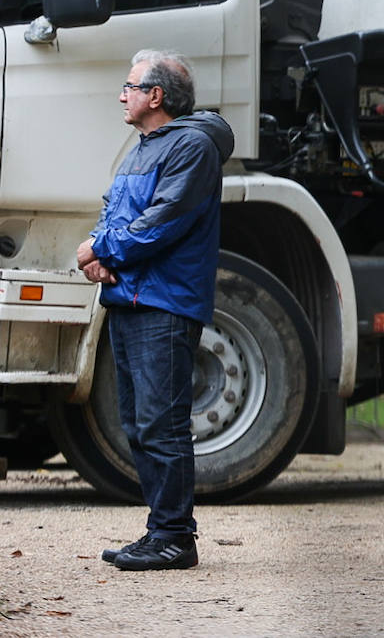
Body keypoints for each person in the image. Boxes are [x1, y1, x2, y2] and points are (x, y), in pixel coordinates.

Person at [75, 50, 234, 571]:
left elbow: (161, 221)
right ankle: (161, 531)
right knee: (141, 424)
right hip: (131, 299)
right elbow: (116, 211)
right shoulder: (146, 146)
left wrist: (102, 250)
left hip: (163, 304)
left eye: (130, 86)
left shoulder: (191, 147)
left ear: (156, 95)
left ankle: (174, 537)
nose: (122, 95)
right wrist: (98, 255)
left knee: (162, 425)